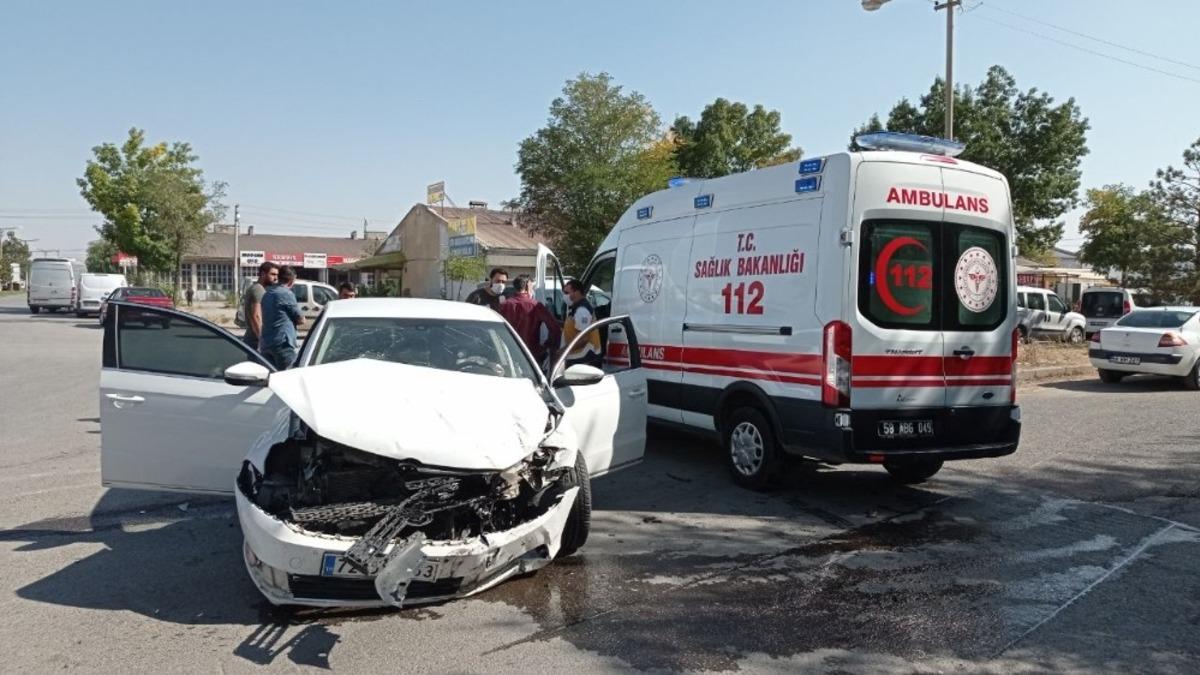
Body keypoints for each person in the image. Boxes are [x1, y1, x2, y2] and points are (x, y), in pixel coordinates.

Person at [499, 275, 561, 366]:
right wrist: (545, 347)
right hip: (531, 354)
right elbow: (555, 329)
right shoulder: (535, 305)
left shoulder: (504, 305)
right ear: (528, 285)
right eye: (532, 286)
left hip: (507, 354)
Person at [259, 266, 305, 369]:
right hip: (282, 343)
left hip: (266, 342)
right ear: (292, 280)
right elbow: (301, 319)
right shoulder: (286, 293)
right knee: (288, 376)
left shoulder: (267, 293)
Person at [561, 278, 602, 368]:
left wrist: (563, 351)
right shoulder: (575, 308)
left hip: (584, 357)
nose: (565, 296)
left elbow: (583, 339)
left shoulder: (582, 310)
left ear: (577, 292)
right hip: (578, 355)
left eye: (567, 293)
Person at [242, 262, 278, 349]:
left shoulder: (255, 287)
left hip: (252, 339)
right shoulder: (259, 289)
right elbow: (256, 316)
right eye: (272, 274)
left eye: (277, 275)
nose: (275, 278)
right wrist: (262, 341)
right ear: (263, 274)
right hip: (255, 341)